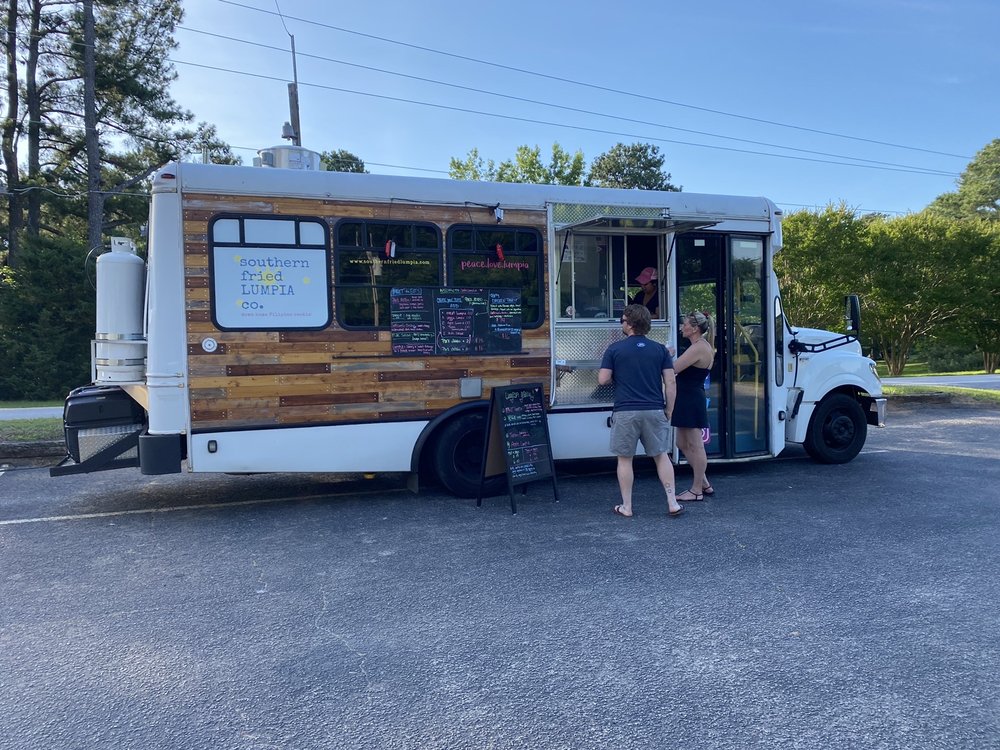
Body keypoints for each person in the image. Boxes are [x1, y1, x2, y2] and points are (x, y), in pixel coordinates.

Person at [598, 304, 684, 519]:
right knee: (661, 456)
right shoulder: (660, 350)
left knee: (625, 459)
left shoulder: (614, 349)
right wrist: (669, 409)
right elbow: (671, 382)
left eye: (622, 321)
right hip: (654, 409)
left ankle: (627, 506)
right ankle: (672, 502)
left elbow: (603, 379)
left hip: (626, 411)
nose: (621, 324)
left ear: (630, 324)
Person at [672, 311, 717, 501]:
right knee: (681, 443)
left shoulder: (698, 348)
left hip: (690, 399)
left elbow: (674, 368)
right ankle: (704, 482)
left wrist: (665, 355)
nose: (682, 327)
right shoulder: (700, 346)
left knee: (696, 445)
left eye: (685, 324)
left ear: (695, 329)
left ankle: (696, 490)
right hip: (686, 398)